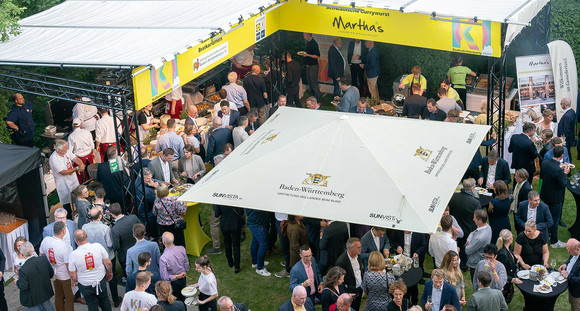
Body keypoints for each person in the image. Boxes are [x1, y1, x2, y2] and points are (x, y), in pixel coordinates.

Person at [83, 207, 120, 307]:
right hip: (106, 256)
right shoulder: (105, 228)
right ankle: (115, 299)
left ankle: (99, 300)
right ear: (100, 216)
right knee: (112, 277)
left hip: (93, 257)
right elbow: (109, 244)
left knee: (98, 279)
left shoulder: (84, 227)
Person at [68, 229, 114, 311]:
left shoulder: (73, 255)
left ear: (75, 240)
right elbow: (108, 263)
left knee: (91, 304)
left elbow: (72, 273)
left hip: (85, 284)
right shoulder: (98, 246)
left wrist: (75, 281)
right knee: (104, 300)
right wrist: (110, 272)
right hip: (100, 280)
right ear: (87, 236)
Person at [39, 222, 74, 311]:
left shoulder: (46, 240)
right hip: (65, 276)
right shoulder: (65, 246)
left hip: (54, 273)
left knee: (58, 295)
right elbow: (68, 265)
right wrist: (73, 278)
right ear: (64, 232)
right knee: (69, 297)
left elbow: (41, 256)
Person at [540, 145, 569, 248]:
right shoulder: (558, 170)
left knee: (546, 216)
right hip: (555, 197)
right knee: (554, 219)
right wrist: (565, 173)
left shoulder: (545, 163)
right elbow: (562, 184)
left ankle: (546, 235)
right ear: (562, 155)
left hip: (545, 194)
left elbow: (542, 176)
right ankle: (554, 241)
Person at [17, 242, 55, 311]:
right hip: (44, 292)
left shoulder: (23, 269)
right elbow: (51, 274)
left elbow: (23, 286)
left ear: (22, 255)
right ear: (33, 250)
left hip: (32, 298)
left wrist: (17, 282)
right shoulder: (43, 259)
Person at [49, 140, 84, 217]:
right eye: (65, 148)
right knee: (66, 201)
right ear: (60, 150)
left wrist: (81, 163)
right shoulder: (54, 158)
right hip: (63, 182)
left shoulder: (66, 152)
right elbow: (63, 172)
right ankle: (69, 217)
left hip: (72, 179)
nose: (67, 149)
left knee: (77, 197)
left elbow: (75, 158)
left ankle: (80, 212)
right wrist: (77, 168)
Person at [111, 203, 140, 282]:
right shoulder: (133, 217)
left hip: (125, 253)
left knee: (128, 269)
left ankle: (128, 278)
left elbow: (116, 246)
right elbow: (141, 228)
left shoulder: (115, 229)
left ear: (112, 214)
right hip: (138, 246)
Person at [214, 204, 245, 274]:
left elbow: (216, 215)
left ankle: (230, 262)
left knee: (227, 243)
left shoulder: (219, 201)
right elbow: (241, 212)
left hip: (225, 225)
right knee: (236, 245)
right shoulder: (236, 199)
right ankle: (237, 266)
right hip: (236, 224)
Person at [336, 238, 364, 311]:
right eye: (358, 247)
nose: (360, 249)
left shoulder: (358, 256)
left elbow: (359, 270)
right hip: (349, 290)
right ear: (351, 248)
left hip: (359, 288)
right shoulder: (341, 261)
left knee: (357, 307)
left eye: (360, 247)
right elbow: (339, 280)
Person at [160, 232, 189, 302]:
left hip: (173, 283)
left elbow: (164, 277)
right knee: (182, 299)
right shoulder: (181, 249)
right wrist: (184, 272)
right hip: (182, 278)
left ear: (163, 242)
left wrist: (176, 276)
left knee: (174, 302)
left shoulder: (163, 258)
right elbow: (186, 264)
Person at [495, 229, 521, 304]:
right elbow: (500, 272)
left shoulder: (506, 248)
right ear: (510, 239)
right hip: (504, 284)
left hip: (508, 280)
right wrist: (512, 279)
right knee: (502, 303)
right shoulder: (502, 254)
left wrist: (515, 260)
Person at [465, 210, 492, 280]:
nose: (473, 219)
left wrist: (468, 242)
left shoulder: (479, 238)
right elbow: (473, 233)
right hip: (481, 259)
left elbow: (467, 250)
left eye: (474, 218)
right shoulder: (488, 227)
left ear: (480, 221)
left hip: (476, 263)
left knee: (476, 283)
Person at [247, 207, 271, 276]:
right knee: (264, 244)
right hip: (257, 224)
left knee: (255, 241)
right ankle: (259, 268)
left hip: (255, 222)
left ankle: (255, 262)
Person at [558, 238, 580, 310]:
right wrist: (565, 264)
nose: (568, 252)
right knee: (571, 302)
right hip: (572, 287)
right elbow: (571, 259)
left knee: (576, 307)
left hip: (578, 292)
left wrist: (568, 276)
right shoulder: (575, 251)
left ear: (578, 249)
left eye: (570, 251)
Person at [302, 33, 322, 102]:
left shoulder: (314, 43)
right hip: (308, 65)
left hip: (313, 66)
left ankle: (319, 100)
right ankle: (311, 98)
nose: (304, 37)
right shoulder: (308, 43)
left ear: (308, 35)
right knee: (310, 83)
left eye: (305, 36)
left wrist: (307, 55)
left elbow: (317, 56)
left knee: (314, 83)